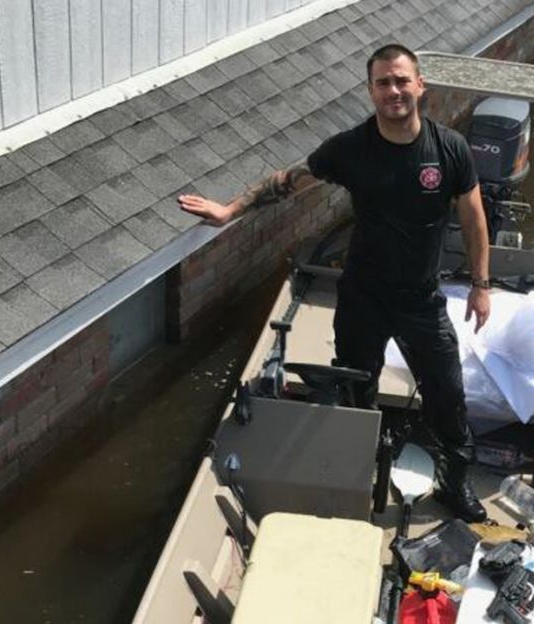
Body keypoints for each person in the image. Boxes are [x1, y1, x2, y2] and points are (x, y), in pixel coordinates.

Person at [177, 44, 491, 522]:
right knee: (354, 394)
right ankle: (353, 479)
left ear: (420, 85)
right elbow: (287, 181)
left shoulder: (449, 149)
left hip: (421, 300)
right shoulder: (351, 149)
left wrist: (481, 284)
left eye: (402, 80)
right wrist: (229, 211)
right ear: (370, 91)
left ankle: (453, 486)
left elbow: (473, 218)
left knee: (447, 396)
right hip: (362, 296)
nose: (394, 90)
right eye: (383, 82)